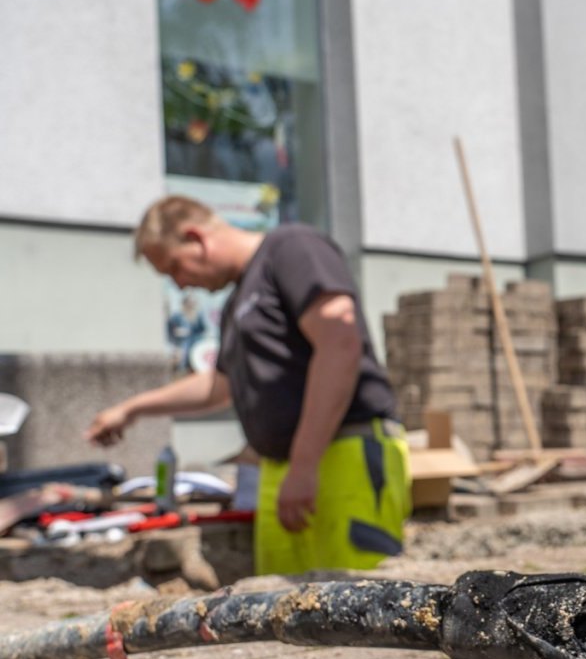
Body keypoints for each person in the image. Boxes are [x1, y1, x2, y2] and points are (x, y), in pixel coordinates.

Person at [86, 196, 410, 575]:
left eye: (175, 267)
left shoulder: (292, 248)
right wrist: (132, 408)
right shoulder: (239, 300)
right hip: (284, 468)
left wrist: (305, 465)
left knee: (364, 609)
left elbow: (339, 342)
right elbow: (220, 386)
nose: (182, 284)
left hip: (343, 456)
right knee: (284, 617)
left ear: (196, 238)